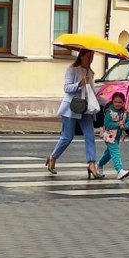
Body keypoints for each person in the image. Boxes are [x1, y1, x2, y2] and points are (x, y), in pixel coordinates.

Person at [46, 48, 103, 179]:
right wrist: (79, 83)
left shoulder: (91, 72)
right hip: (71, 107)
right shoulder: (71, 70)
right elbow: (66, 88)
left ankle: (92, 164)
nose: (91, 60)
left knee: (90, 136)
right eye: (89, 57)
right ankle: (53, 157)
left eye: (92, 57)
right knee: (67, 137)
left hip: (86, 108)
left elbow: (92, 91)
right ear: (82, 56)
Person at [97, 92, 129, 180]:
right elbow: (107, 124)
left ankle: (99, 165)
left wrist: (125, 126)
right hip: (109, 135)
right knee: (115, 151)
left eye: (120, 102)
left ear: (124, 102)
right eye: (115, 102)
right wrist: (118, 124)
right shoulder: (109, 112)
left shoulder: (124, 112)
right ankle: (119, 170)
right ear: (112, 101)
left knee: (109, 153)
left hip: (117, 136)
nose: (117, 104)